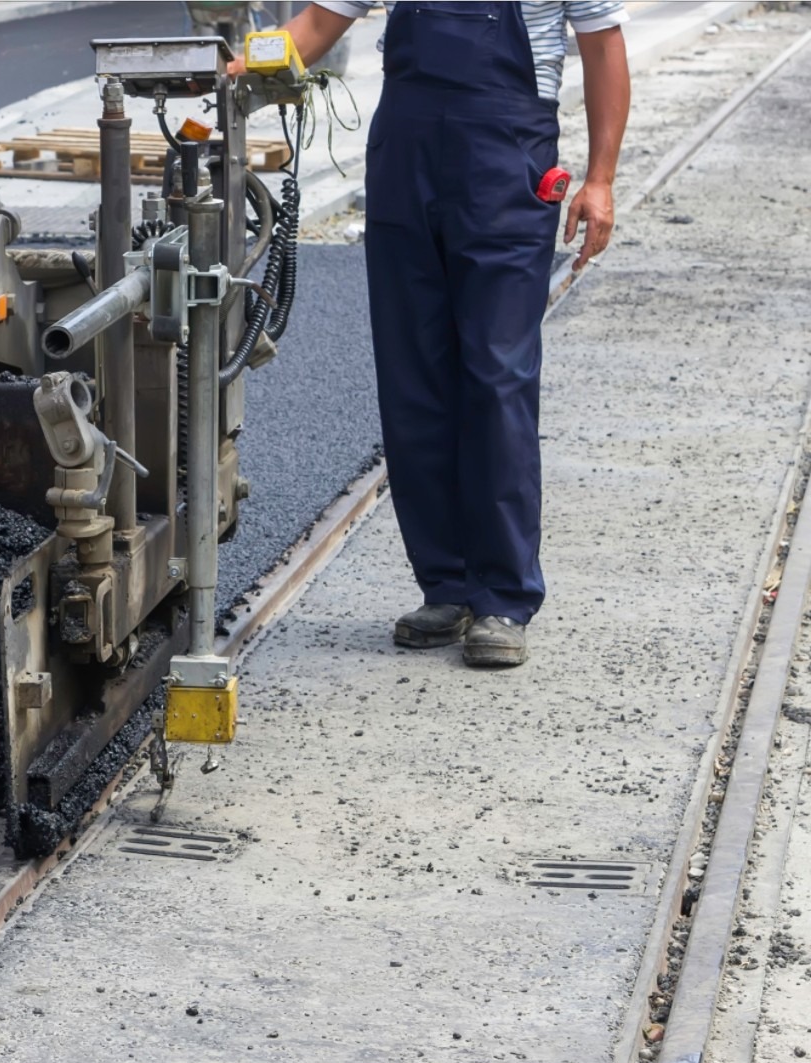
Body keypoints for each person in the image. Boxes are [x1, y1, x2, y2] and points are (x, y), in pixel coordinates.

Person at [240, 2, 631, 667]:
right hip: (406, 163)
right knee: (413, 375)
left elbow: (602, 48)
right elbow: (314, 27)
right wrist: (231, 73)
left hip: (506, 167)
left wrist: (600, 178)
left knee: (497, 378)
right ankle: (446, 586)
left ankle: (504, 596)